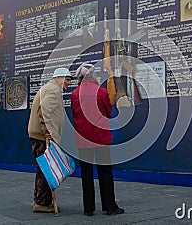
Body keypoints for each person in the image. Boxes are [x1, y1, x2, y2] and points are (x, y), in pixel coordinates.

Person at [71, 63, 124, 216]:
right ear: (93, 76)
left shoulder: (75, 94)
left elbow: (75, 114)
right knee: (105, 172)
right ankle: (109, 206)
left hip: (83, 139)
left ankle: (89, 208)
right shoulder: (101, 92)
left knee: (86, 174)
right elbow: (108, 112)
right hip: (101, 138)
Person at [28, 67, 72, 213]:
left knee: (41, 169)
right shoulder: (54, 90)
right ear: (58, 78)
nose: (68, 83)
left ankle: (39, 200)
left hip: (37, 134)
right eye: (66, 79)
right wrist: (46, 129)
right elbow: (44, 109)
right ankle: (42, 203)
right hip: (42, 136)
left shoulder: (48, 88)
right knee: (46, 170)